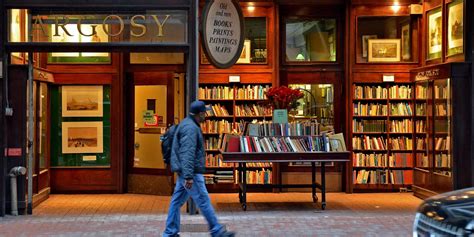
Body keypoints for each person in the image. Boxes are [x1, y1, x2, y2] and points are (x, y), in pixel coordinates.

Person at [163, 101, 235, 237]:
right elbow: (187, 153)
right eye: (204, 113)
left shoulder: (187, 124)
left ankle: (170, 232)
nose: (206, 116)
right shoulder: (191, 128)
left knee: (176, 201)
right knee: (203, 200)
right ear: (199, 114)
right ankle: (217, 231)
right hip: (191, 173)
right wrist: (189, 176)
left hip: (185, 172)